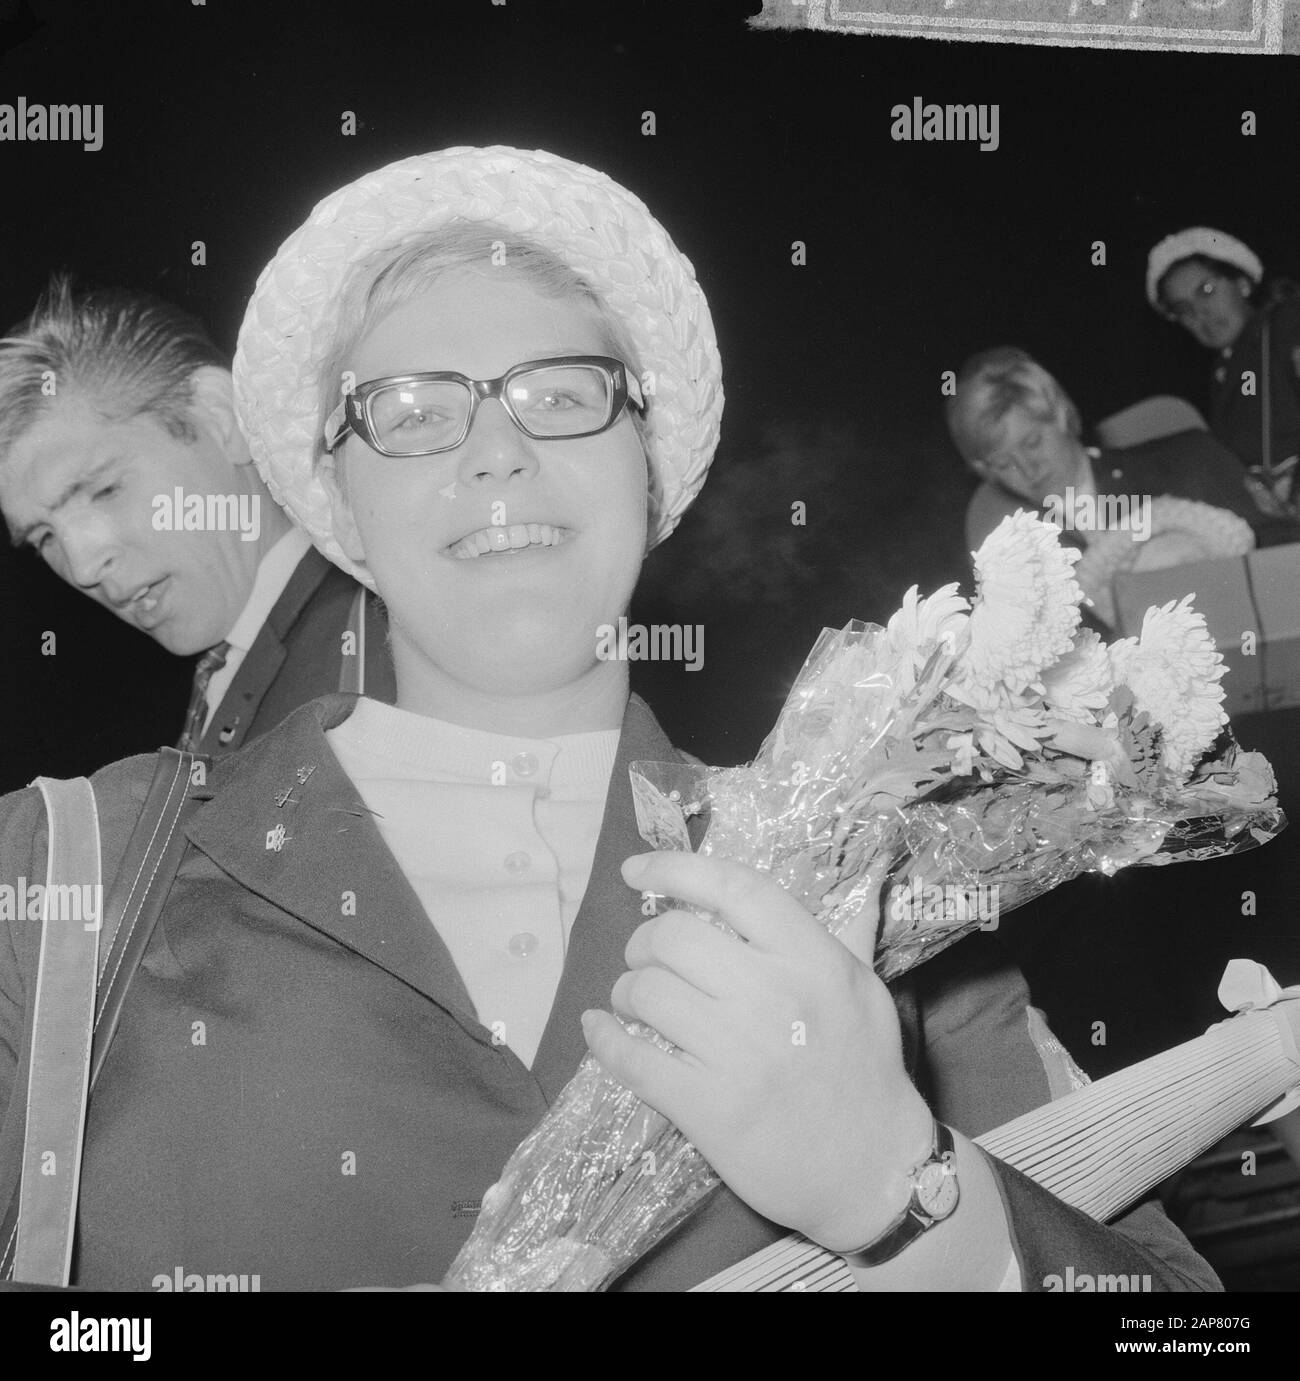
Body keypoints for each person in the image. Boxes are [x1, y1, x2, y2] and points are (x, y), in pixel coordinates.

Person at [0, 148, 1218, 1292]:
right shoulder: (67, 879)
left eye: (560, 392)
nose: (494, 451)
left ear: (651, 468)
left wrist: (903, 1198)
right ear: (335, 505)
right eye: (411, 410)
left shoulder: (883, 886)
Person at [0, 279, 394, 757]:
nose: (82, 567)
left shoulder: (377, 655)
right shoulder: (256, 658)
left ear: (219, 416)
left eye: (105, 490)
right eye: (44, 537)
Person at [948, 346, 1290, 553]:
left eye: (1032, 442)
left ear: (1062, 416)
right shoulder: (1015, 551)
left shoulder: (1189, 460)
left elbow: (1284, 548)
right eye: (1004, 464)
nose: (1029, 470)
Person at [1147, 227, 1300, 510]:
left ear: (1242, 284)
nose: (1198, 313)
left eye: (1206, 291)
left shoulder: (1286, 325)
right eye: (1182, 308)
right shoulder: (1224, 373)